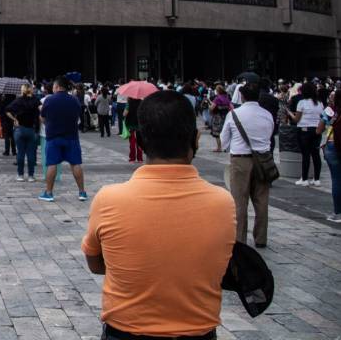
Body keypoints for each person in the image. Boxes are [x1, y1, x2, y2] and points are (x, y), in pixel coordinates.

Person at [82, 90, 235, 339]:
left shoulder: (109, 199)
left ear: (140, 141)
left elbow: (96, 264)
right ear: (196, 140)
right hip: (198, 331)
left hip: (126, 330)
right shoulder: (223, 202)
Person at [221, 81, 274, 248]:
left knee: (239, 201)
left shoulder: (234, 114)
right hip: (263, 159)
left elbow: (224, 140)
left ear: (242, 96)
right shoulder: (267, 114)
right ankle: (261, 238)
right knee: (261, 200)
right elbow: (271, 134)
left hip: (240, 159)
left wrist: (228, 147)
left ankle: (239, 238)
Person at [38, 76, 87, 202]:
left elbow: (43, 118)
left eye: (54, 86)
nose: (53, 89)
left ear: (58, 87)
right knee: (76, 163)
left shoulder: (49, 100)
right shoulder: (75, 100)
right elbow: (77, 118)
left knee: (52, 164)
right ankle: (82, 192)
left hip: (53, 137)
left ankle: (49, 193)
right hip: (71, 137)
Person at [291, 81, 325, 186]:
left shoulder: (301, 103)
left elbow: (297, 120)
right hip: (316, 131)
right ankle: (316, 179)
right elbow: (322, 118)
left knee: (305, 155)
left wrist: (290, 114)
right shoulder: (319, 103)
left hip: (304, 130)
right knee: (316, 154)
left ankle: (304, 179)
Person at [6, 84, 41, 182]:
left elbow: (7, 110)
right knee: (31, 154)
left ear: (22, 90)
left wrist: (14, 119)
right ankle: (31, 176)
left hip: (20, 129)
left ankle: (20, 175)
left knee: (20, 153)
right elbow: (42, 110)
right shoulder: (35, 100)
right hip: (32, 129)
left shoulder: (19, 100)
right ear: (31, 90)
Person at [322, 88, 340, 222]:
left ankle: (338, 213)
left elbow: (319, 129)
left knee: (336, 179)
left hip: (332, 145)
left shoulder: (330, 111)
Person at [209, 84, 232, 152]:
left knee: (217, 132)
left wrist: (210, 108)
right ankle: (225, 147)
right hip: (226, 116)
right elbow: (231, 107)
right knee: (225, 131)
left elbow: (212, 107)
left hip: (218, 117)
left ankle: (219, 148)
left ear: (217, 91)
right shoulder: (226, 97)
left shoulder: (217, 98)